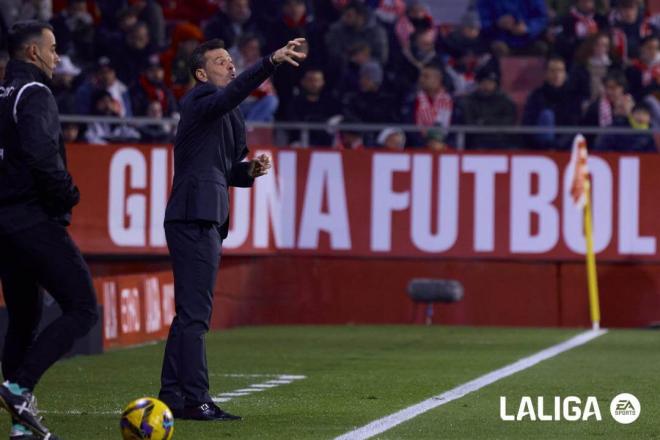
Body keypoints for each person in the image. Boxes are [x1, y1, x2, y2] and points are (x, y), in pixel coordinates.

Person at [159, 37, 307, 421]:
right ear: (201, 73)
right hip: (194, 215)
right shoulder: (201, 99)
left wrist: (248, 171)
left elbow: (223, 169)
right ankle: (196, 399)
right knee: (195, 315)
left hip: (205, 216)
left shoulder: (228, 113)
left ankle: (173, 394)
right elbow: (231, 95)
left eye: (230, 60)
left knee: (189, 313)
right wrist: (270, 62)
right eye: (221, 61)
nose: (230, 65)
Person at [0, 20, 98, 439]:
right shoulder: (35, 93)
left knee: (23, 320)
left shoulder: (2, 94)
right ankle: (19, 388)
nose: (57, 56)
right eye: (53, 48)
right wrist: (67, 196)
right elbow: (43, 157)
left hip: (3, 226)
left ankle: (21, 429)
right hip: (32, 219)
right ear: (33, 53)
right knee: (82, 307)